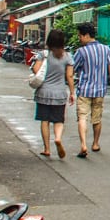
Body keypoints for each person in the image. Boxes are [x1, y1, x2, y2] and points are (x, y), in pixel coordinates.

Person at [72, 23, 110, 158]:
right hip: (100, 90)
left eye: (80, 36)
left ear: (87, 35)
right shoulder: (106, 49)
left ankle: (83, 144)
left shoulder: (81, 52)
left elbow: (72, 69)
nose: (80, 39)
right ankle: (95, 143)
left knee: (82, 117)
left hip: (84, 90)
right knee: (97, 118)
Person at [32, 29, 76, 159]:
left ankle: (46, 148)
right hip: (60, 93)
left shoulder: (44, 54)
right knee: (58, 120)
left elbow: (36, 70)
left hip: (43, 92)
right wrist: (72, 93)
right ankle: (57, 138)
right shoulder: (68, 57)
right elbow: (69, 76)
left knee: (44, 120)